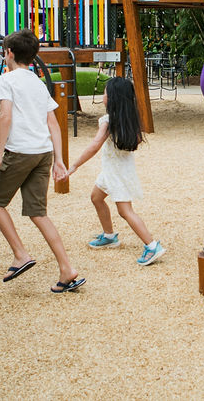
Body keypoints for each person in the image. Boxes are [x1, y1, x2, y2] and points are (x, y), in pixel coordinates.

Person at [0, 29, 86, 293]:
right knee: (38, 213)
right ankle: (67, 269)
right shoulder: (36, 81)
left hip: (20, 152)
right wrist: (59, 160)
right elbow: (52, 122)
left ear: (8, 53)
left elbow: (4, 117)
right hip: (43, 153)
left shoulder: (7, 81)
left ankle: (20, 254)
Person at [66, 76, 165, 266]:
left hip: (116, 173)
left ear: (112, 98)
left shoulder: (108, 121)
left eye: (105, 92)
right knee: (96, 197)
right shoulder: (128, 119)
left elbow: (95, 145)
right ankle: (109, 235)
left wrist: (75, 165)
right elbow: (134, 141)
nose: (103, 95)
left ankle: (152, 246)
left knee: (125, 211)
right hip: (115, 170)